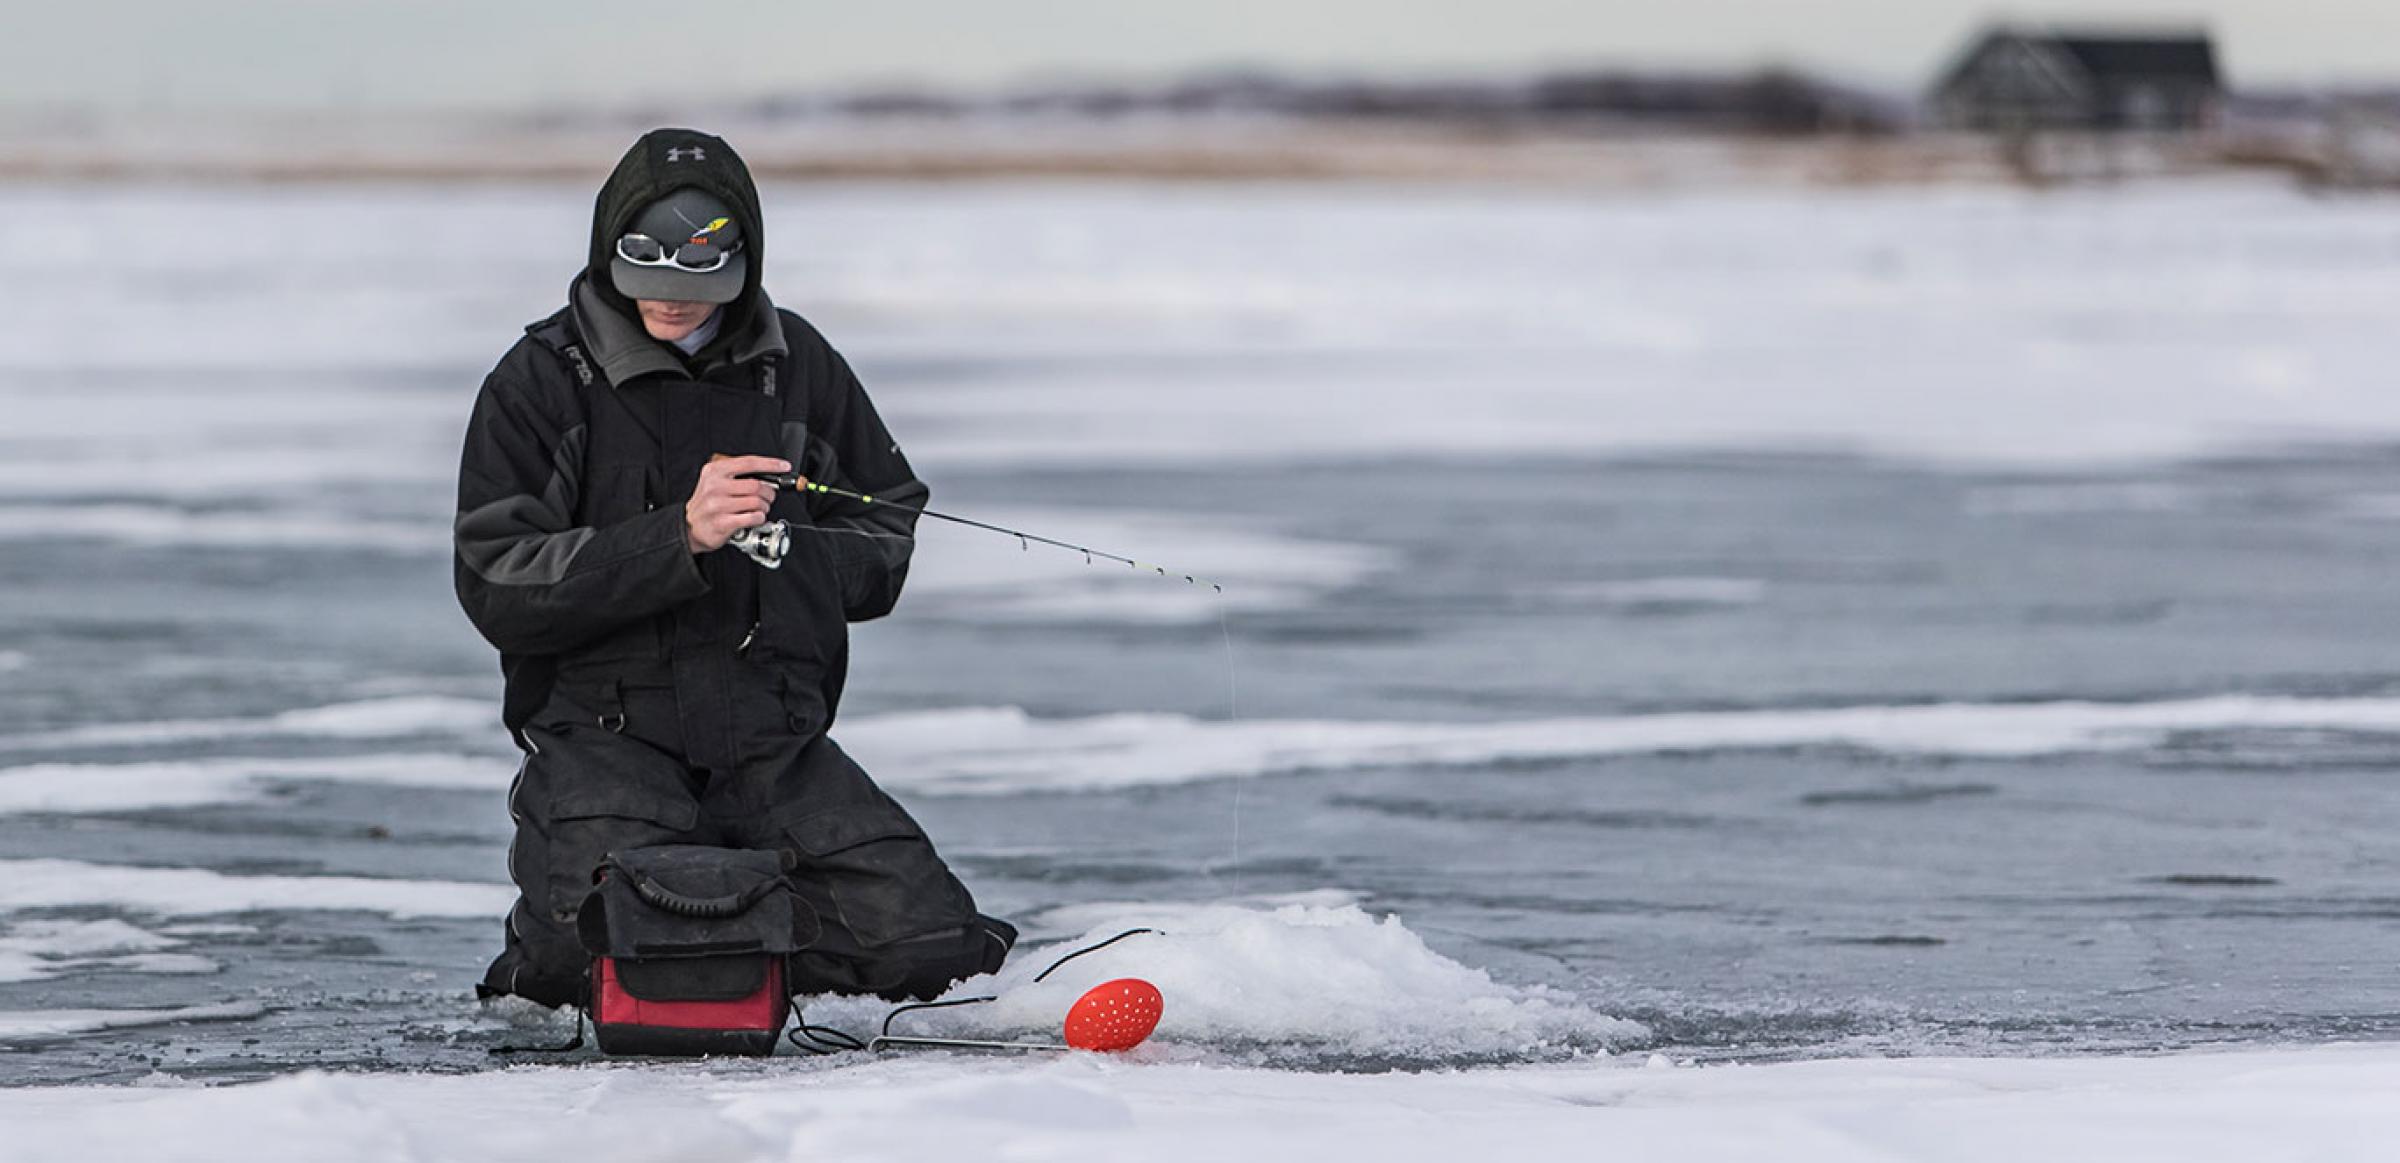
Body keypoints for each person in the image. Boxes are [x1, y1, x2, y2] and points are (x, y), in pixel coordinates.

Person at [453, 127, 1014, 1010]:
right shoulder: (538, 382)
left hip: (770, 739)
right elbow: (499, 579)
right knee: (594, 965)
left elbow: (885, 527)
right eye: (651, 278)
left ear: (742, 261)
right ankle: (573, 927)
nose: (672, 301)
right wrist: (677, 537)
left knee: (932, 949)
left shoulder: (797, 365)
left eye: (697, 282)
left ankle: (755, 928)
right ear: (612, 248)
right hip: (608, 737)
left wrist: (796, 553)